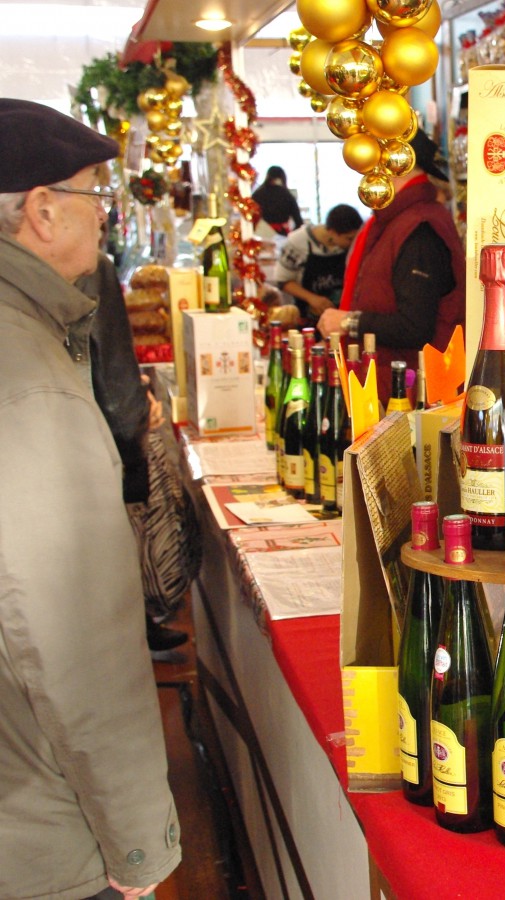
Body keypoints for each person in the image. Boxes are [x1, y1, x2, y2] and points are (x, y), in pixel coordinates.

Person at [0, 98, 181, 899]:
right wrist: (140, 845)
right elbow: (74, 639)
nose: (105, 219)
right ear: (42, 210)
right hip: (39, 828)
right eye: (94, 197)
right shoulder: (31, 382)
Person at [78, 250, 187, 658]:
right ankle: (133, 627)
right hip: (99, 432)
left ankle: (133, 624)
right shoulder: (94, 266)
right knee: (119, 543)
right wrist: (136, 417)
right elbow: (111, 354)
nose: (100, 213)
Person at [317, 129, 465, 404]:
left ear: (394, 162)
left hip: (410, 399)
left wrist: (348, 321)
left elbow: (414, 325)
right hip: (393, 390)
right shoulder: (398, 221)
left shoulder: (419, 227)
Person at [274, 203, 363, 326]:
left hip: (342, 318)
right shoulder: (297, 242)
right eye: (349, 238)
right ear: (331, 232)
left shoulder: (348, 246)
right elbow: (282, 281)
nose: (353, 242)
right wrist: (312, 298)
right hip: (308, 320)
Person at [251, 164, 303, 236]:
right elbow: (299, 222)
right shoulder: (287, 195)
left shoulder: (257, 194)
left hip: (260, 235)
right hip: (283, 235)